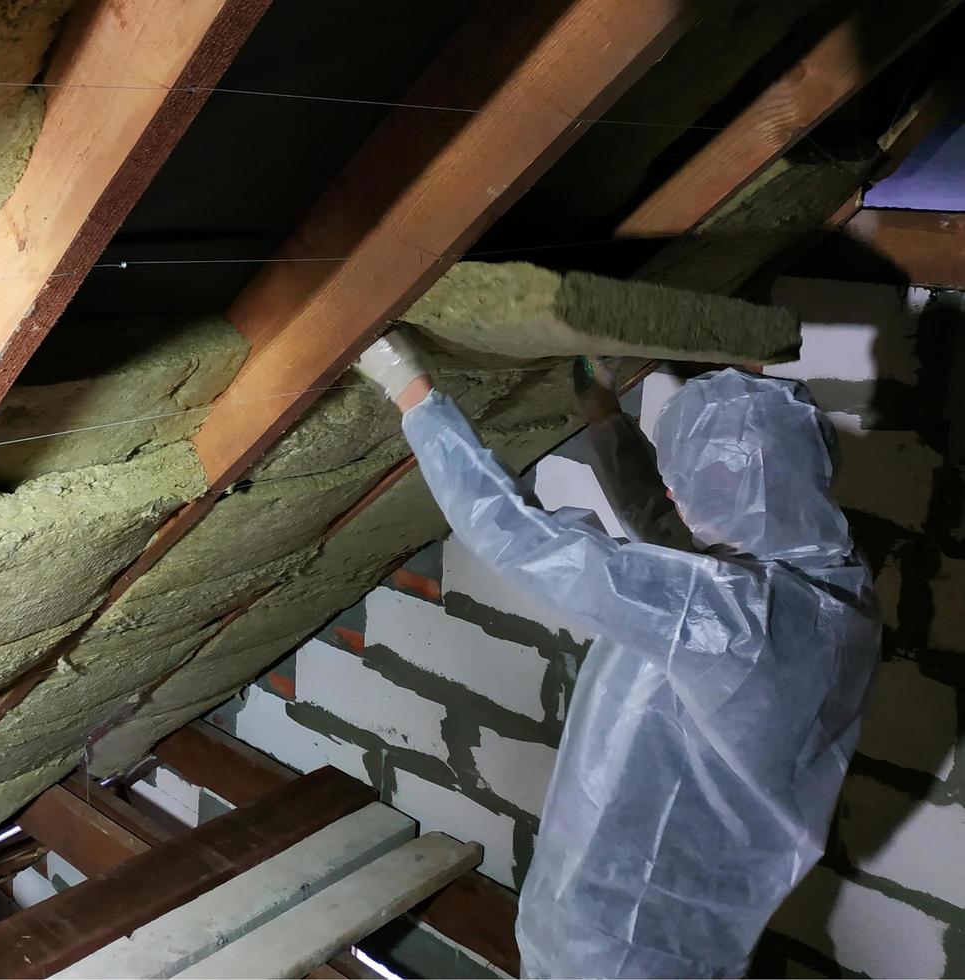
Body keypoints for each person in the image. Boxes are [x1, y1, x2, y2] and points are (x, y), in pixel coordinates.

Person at [354, 331, 880, 979]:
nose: (680, 498)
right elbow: (668, 534)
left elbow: (526, 542)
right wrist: (599, 407)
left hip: (616, 948)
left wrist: (413, 393)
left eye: (695, 486)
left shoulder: (735, 623)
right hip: (685, 936)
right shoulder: (832, 585)